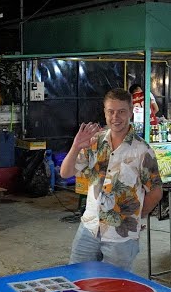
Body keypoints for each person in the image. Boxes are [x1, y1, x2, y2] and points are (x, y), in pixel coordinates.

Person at [60, 88, 164, 269]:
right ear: (105, 112)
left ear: (131, 112)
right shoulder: (94, 142)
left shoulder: (142, 151)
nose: (116, 117)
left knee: (114, 291)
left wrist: (136, 217)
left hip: (121, 237)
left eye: (122, 111)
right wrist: (76, 146)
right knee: (77, 282)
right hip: (89, 228)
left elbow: (155, 193)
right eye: (111, 111)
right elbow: (65, 173)